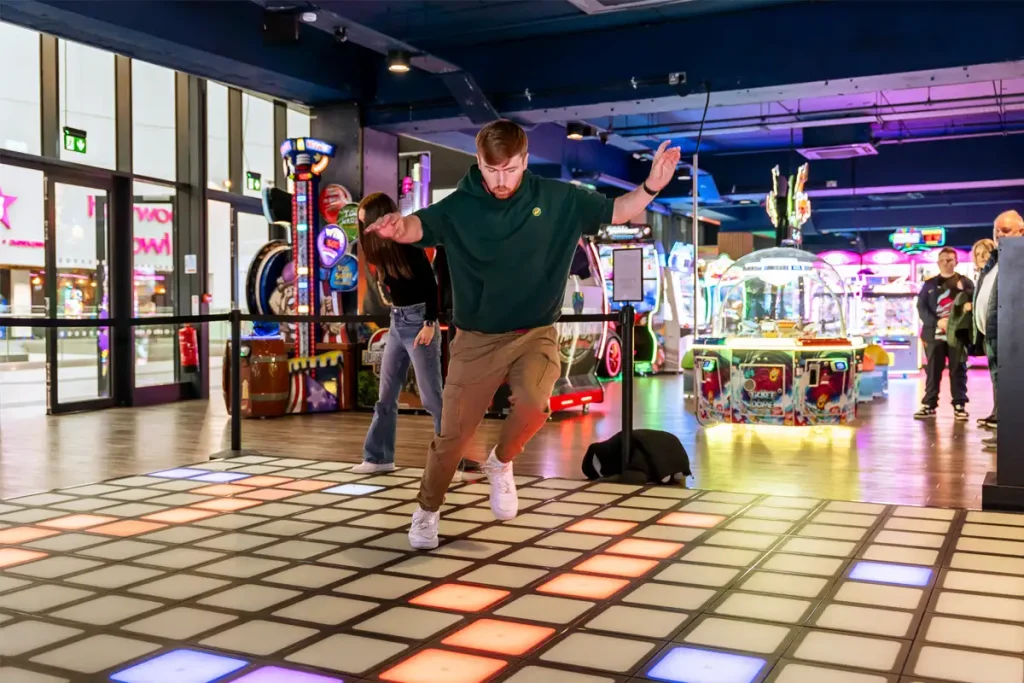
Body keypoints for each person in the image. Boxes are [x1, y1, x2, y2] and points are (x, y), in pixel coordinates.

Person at [366, 119, 680, 549]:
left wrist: (651, 186)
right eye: (492, 170)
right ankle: (426, 511)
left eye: (510, 170)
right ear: (479, 162)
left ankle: (501, 461)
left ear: (525, 161)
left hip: (534, 332)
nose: (500, 180)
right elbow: (418, 227)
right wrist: (397, 229)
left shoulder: (558, 198)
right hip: (475, 339)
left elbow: (618, 210)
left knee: (534, 405)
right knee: (452, 437)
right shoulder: (461, 205)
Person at [354, 193, 444, 474]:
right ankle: (378, 458)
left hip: (419, 321)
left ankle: (453, 457)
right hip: (397, 319)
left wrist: (430, 323)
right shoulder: (378, 250)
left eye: (366, 221)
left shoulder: (408, 245)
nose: (363, 227)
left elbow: (431, 286)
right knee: (386, 395)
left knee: (432, 398)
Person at [976, 211, 1024, 450]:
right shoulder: (995, 260)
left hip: (1012, 338)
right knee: (999, 388)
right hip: (993, 336)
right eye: (996, 231)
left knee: (1011, 390)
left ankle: (1012, 439)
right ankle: (1003, 435)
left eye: (1005, 231)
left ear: (1021, 231)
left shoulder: (1020, 259)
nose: (999, 235)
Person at [915, 246, 974, 420]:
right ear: (938, 263)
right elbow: (921, 307)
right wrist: (936, 322)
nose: (946, 263)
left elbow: (974, 301)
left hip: (958, 334)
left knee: (958, 369)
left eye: (950, 260)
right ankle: (929, 404)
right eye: (943, 260)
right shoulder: (929, 284)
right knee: (933, 370)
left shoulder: (966, 282)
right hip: (934, 335)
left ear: (956, 261)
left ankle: (959, 405)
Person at [968, 238, 996, 430]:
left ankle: (1000, 417)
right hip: (988, 334)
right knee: (995, 377)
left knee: (1000, 377)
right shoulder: (983, 276)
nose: (982, 257)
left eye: (986, 252)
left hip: (997, 332)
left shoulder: (996, 272)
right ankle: (996, 414)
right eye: (978, 254)